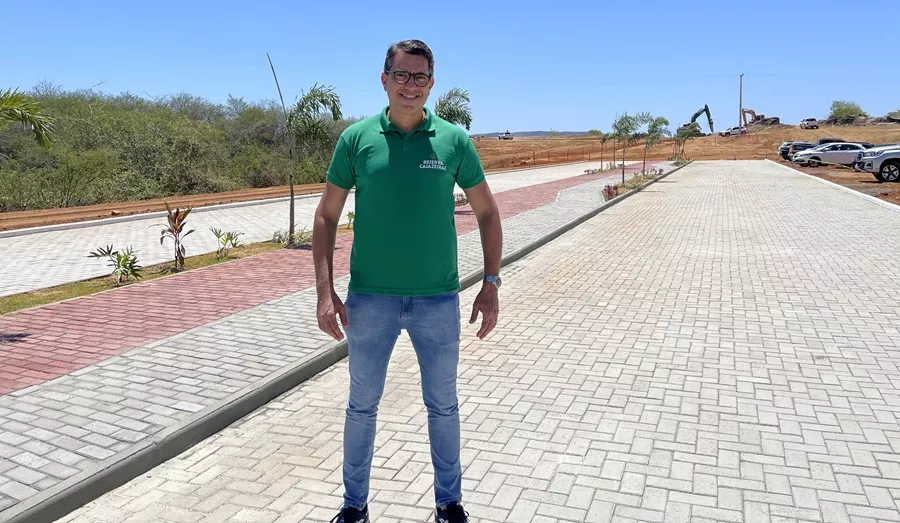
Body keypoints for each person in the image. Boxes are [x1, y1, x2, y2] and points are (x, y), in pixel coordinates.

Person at [312, 39, 503, 523]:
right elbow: (326, 216)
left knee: (443, 406)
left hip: (437, 300)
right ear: (384, 79)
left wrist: (491, 283)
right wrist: (324, 292)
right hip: (369, 300)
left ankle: (448, 504)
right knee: (361, 407)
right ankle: (353, 507)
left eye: (419, 77)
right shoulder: (356, 139)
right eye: (401, 75)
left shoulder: (453, 141)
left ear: (431, 84)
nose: (410, 85)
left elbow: (487, 212)